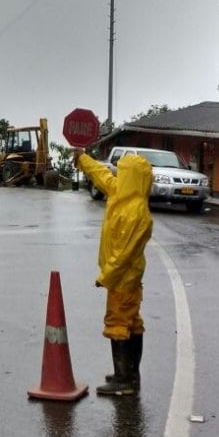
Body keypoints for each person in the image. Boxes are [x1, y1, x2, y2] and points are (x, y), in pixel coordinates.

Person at [73, 148, 154, 396]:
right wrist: (82, 158)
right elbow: (101, 174)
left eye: (122, 171)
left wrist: (105, 276)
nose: (116, 174)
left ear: (130, 175)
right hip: (123, 278)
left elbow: (125, 253)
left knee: (118, 323)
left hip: (124, 279)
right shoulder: (121, 193)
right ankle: (130, 374)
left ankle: (124, 380)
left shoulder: (136, 211)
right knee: (132, 323)